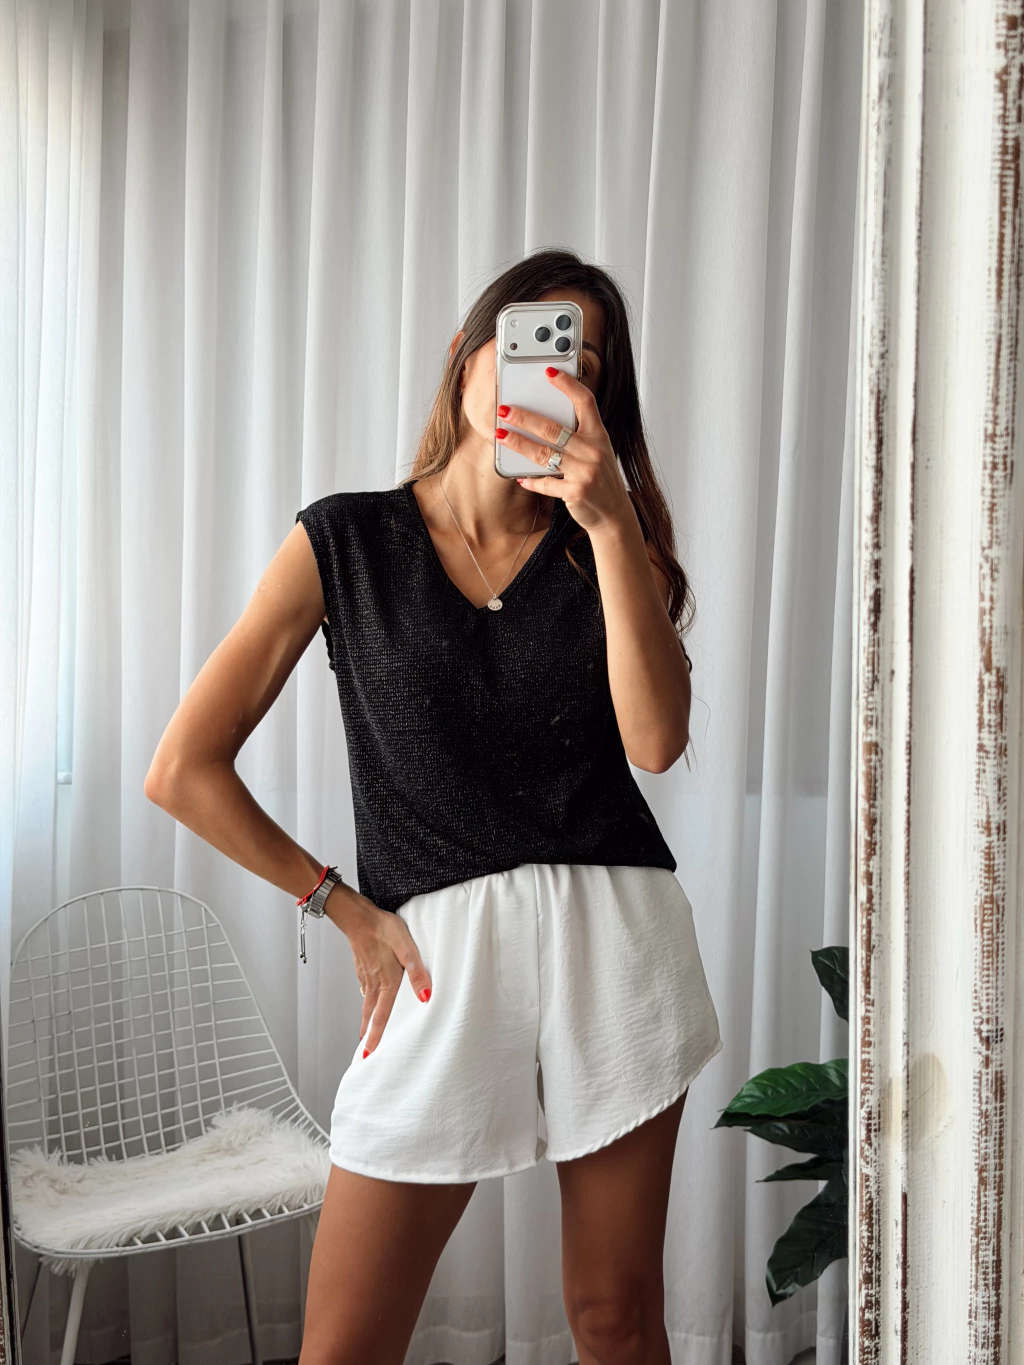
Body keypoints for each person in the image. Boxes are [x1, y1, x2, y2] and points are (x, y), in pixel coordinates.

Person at [145, 247, 722, 1365]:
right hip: (437, 959)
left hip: (616, 939)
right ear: (466, 360)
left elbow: (657, 743)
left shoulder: (610, 551)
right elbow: (184, 767)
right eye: (529, 344)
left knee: (614, 1317)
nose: (552, 378)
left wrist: (612, 524)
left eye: (581, 366)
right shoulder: (345, 542)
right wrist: (340, 905)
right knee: (346, 1346)